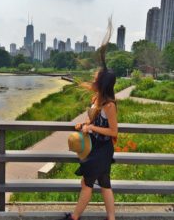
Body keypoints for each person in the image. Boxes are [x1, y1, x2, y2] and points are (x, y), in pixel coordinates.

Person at [61, 18, 117, 220]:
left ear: (102, 84)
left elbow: (113, 132)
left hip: (102, 150)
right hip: (96, 148)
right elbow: (95, 122)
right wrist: (85, 125)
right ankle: (111, 218)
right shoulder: (96, 100)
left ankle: (74, 217)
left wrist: (92, 129)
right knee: (104, 184)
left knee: (86, 184)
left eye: (95, 79)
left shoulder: (109, 105)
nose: (92, 80)